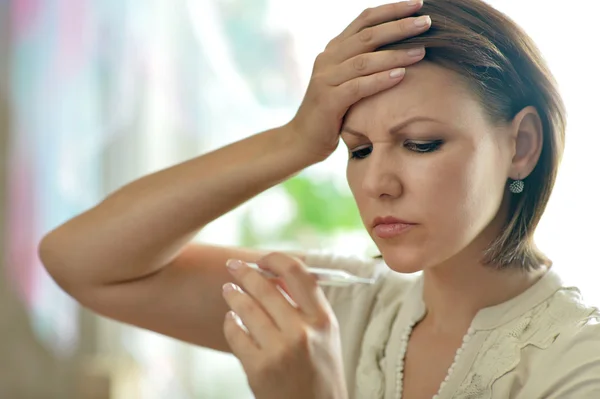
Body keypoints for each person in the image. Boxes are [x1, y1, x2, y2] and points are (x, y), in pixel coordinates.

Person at [38, 0, 600, 398]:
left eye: (420, 143)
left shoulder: (579, 364)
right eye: (357, 150)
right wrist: (295, 140)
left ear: (521, 146)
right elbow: (80, 260)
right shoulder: (338, 307)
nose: (379, 181)